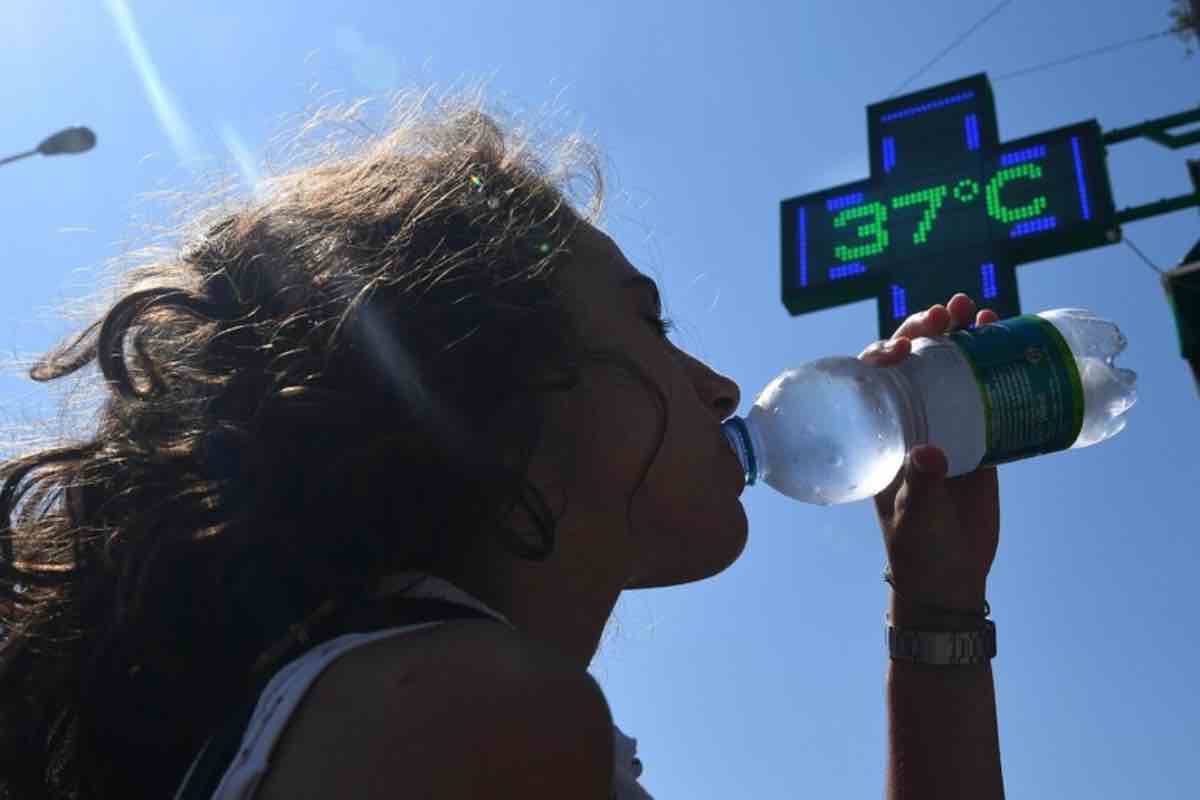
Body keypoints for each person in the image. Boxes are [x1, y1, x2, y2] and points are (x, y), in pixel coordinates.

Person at [0, 96, 1004, 799]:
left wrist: (938, 601)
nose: (721, 388)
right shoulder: (475, 719)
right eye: (647, 321)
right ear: (493, 376)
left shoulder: (389, 696)